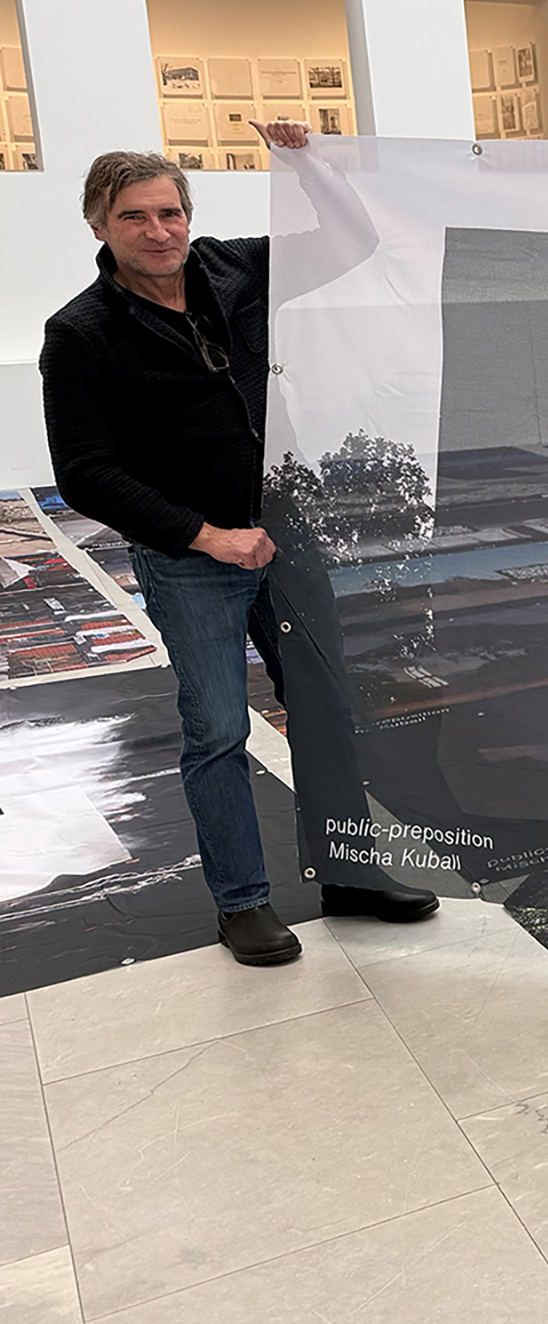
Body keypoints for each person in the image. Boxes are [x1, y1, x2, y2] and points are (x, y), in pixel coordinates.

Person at [40, 123, 437, 967]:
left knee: (325, 710)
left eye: (171, 212)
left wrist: (310, 164)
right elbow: (84, 474)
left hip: (286, 535)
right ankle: (242, 902)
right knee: (218, 730)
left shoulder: (234, 267)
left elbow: (352, 239)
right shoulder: (80, 333)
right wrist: (205, 537)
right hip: (192, 559)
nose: (159, 232)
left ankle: (350, 874)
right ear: (99, 225)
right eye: (135, 217)